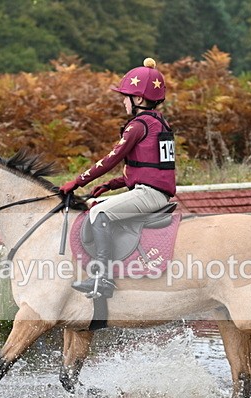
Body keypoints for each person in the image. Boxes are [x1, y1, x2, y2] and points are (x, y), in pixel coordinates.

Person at [59, 57, 176, 299]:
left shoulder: (138, 125)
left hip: (148, 195)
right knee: (100, 207)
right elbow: (148, 169)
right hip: (154, 193)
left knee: (98, 213)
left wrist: (78, 181)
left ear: (139, 99)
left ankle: (102, 278)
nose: (123, 101)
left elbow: (112, 158)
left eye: (126, 96)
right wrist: (110, 184)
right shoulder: (160, 123)